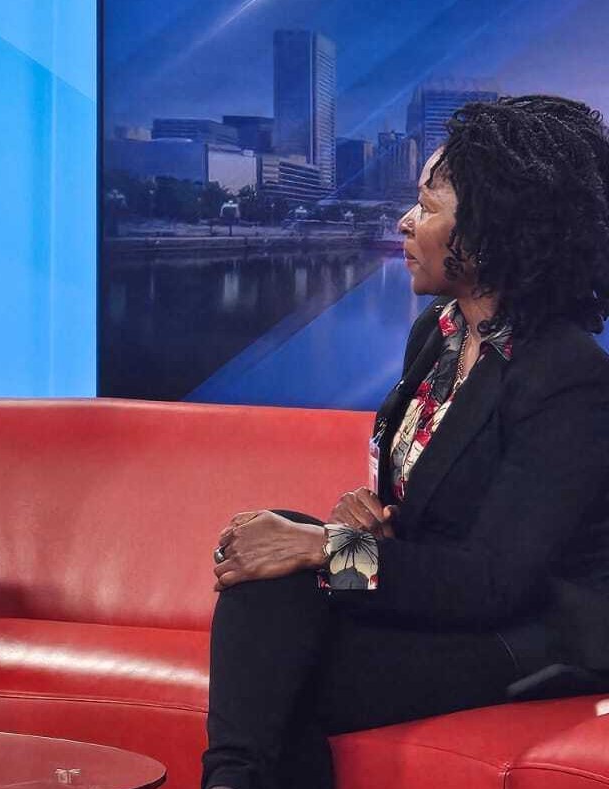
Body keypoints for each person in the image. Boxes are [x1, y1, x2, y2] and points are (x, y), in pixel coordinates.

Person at [200, 95, 609, 789]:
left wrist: (322, 549)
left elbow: (493, 581)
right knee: (283, 576)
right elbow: (420, 517)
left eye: (427, 204)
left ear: (491, 230)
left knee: (281, 654)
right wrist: (362, 518)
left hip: (533, 633)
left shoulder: (567, 373)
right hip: (440, 606)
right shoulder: (438, 335)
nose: (404, 220)